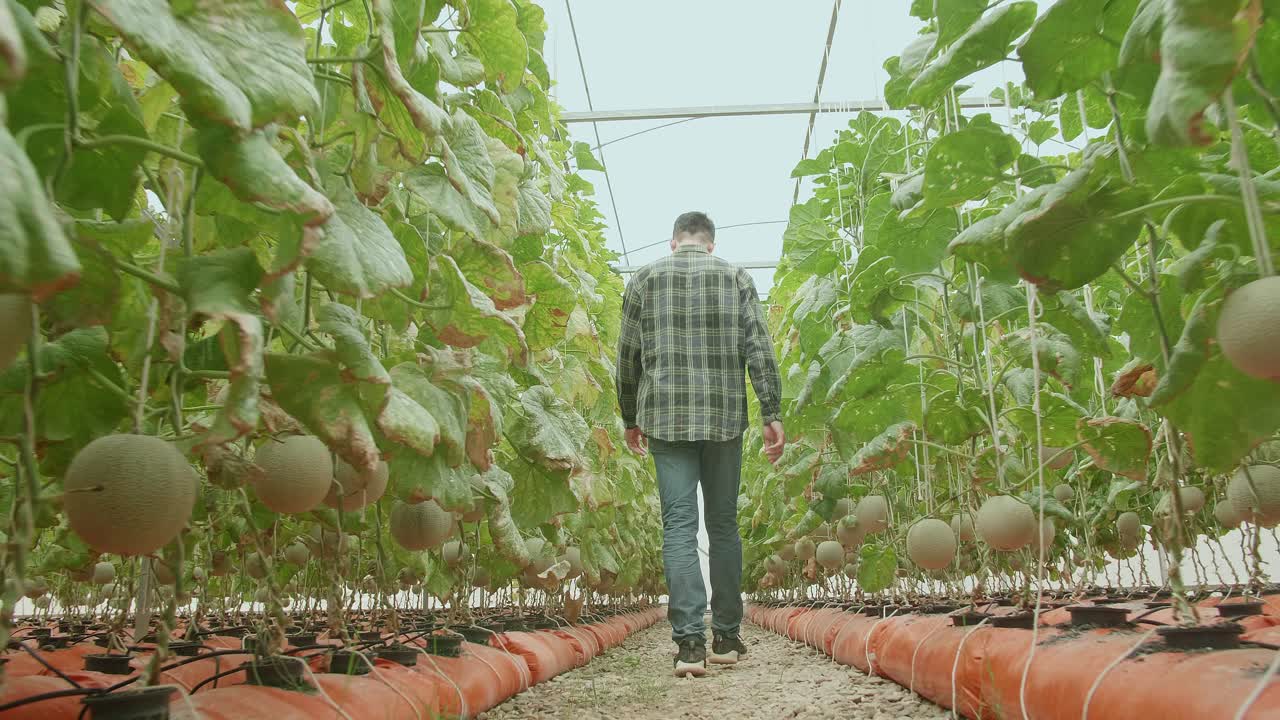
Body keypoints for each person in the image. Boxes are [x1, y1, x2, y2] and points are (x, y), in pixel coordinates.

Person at [616, 210, 786, 678]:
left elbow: (627, 355)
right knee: (724, 524)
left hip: (666, 418)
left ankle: (689, 645)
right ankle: (727, 638)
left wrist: (630, 416)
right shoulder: (735, 276)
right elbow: (758, 346)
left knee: (679, 526)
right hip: (723, 416)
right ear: (710, 244)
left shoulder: (644, 279)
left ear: (674, 242)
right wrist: (771, 411)